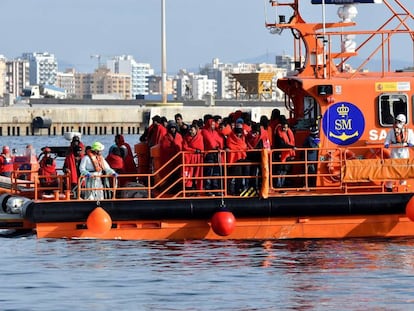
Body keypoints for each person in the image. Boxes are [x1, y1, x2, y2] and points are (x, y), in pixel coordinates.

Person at [384, 114, 414, 191]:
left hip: (404, 151)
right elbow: (387, 139)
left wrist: (410, 144)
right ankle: (389, 186)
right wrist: (386, 144)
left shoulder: (409, 131)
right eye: (396, 121)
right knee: (392, 169)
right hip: (395, 151)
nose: (397, 122)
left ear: (403, 122)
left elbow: (412, 141)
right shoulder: (391, 131)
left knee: (404, 170)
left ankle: (402, 186)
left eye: (399, 121)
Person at [201, 117, 224, 194]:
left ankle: (215, 188)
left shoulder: (215, 132)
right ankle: (208, 189)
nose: (213, 126)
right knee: (209, 172)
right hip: (209, 153)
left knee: (216, 172)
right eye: (212, 124)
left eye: (214, 125)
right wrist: (216, 145)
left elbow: (220, 140)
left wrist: (219, 146)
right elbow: (210, 141)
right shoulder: (204, 131)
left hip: (216, 153)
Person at [225, 122, 249, 195]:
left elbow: (244, 146)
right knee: (236, 175)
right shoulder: (230, 137)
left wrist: (238, 148)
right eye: (237, 132)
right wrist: (240, 148)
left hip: (241, 158)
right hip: (234, 159)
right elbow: (230, 145)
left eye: (240, 132)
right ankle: (233, 190)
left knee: (243, 174)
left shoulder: (243, 137)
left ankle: (241, 189)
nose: (238, 134)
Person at [273, 119, 296, 189]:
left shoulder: (289, 132)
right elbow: (281, 144)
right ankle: (279, 185)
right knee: (280, 171)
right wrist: (291, 147)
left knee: (285, 170)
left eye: (285, 127)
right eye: (283, 127)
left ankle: (282, 184)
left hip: (288, 154)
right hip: (281, 154)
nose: (284, 129)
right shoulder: (278, 134)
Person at [182, 124, 204, 193]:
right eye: (190, 130)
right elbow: (184, 147)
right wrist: (194, 150)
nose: (191, 131)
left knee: (197, 173)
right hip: (189, 158)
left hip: (198, 158)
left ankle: (196, 188)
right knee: (189, 173)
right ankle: (189, 188)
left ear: (196, 130)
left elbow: (201, 148)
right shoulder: (186, 137)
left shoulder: (200, 137)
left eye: (192, 130)